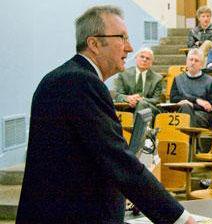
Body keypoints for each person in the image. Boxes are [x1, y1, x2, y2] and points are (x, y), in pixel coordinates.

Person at [16, 5, 195, 224]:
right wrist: (180, 218)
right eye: (122, 38)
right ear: (94, 44)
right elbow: (116, 158)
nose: (129, 48)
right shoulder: (81, 82)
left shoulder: (70, 77)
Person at [170, 48, 212, 128]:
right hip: (181, 114)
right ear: (186, 62)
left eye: (196, 61)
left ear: (201, 65)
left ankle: (184, 139)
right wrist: (196, 100)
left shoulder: (210, 81)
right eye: (191, 59)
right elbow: (174, 99)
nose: (192, 63)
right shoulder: (178, 79)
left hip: (203, 116)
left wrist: (192, 105)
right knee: (184, 109)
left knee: (186, 108)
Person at [113, 47, 164, 117]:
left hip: (149, 109)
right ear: (136, 58)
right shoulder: (123, 74)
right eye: (142, 57)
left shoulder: (157, 78)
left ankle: (136, 127)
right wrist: (128, 98)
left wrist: (140, 100)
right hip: (127, 107)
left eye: (148, 58)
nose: (144, 60)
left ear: (151, 62)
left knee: (141, 104)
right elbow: (117, 95)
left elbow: (157, 100)